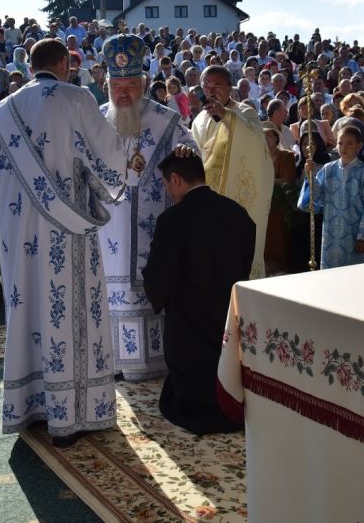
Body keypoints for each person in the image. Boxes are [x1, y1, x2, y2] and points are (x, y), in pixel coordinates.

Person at [0, 38, 128, 446]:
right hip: (67, 229)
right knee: (70, 309)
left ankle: (31, 405)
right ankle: (72, 413)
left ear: (30, 66)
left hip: (18, 233)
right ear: (63, 63)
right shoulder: (75, 97)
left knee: (29, 307)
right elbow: (109, 163)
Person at [97, 34, 199, 382]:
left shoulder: (167, 121)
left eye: (130, 85)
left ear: (143, 83)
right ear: (106, 84)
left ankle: (151, 363)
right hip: (107, 232)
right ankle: (113, 362)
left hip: (152, 228)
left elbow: (191, 156)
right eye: (116, 85)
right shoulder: (97, 121)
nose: (123, 93)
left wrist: (187, 156)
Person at [142, 152, 252, 435]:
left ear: (176, 180)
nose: (168, 192)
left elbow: (159, 278)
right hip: (227, 322)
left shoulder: (172, 220)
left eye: (167, 185)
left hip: (187, 331)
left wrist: (157, 294)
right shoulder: (238, 214)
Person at [191, 65, 274, 279]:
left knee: (234, 258)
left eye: (216, 85)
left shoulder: (244, 112)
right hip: (206, 196)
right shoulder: (200, 119)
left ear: (229, 87)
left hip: (234, 197)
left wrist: (227, 116)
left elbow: (257, 142)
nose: (210, 90)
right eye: (206, 85)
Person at [300, 123, 364, 268]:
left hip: (356, 236)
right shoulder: (328, 170)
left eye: (349, 144)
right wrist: (310, 177)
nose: (344, 147)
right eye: (340, 143)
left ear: (359, 146)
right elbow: (315, 200)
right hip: (331, 237)